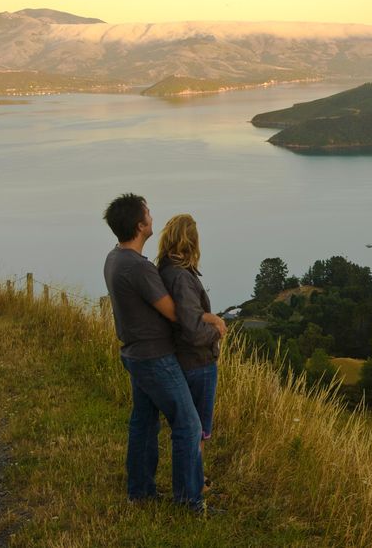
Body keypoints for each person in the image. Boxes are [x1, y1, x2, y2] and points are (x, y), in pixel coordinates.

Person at [102, 193, 222, 510]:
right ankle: (188, 502)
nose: (152, 218)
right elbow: (176, 314)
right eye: (149, 214)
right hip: (155, 357)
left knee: (143, 423)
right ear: (140, 225)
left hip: (134, 353)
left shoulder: (114, 258)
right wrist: (212, 321)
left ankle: (140, 492)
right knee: (189, 425)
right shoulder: (139, 268)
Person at [156, 214, 224, 491]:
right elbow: (193, 329)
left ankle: (195, 480)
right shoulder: (182, 277)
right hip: (197, 362)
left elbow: (187, 315)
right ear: (191, 241)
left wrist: (208, 317)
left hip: (180, 358)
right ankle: (194, 485)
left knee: (191, 425)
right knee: (198, 429)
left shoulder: (164, 271)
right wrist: (216, 331)